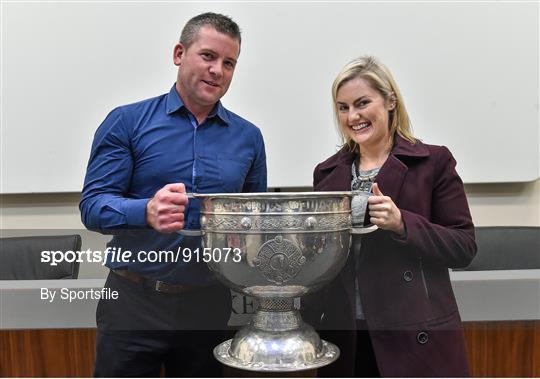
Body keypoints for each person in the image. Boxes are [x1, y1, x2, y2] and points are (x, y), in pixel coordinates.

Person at [79, 12, 267, 377]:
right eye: (208, 56)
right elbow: (93, 205)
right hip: (132, 301)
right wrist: (144, 211)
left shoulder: (249, 137)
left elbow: (251, 217)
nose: (218, 70)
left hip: (207, 304)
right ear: (180, 53)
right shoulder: (127, 121)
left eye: (229, 63)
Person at [302, 56, 476, 377]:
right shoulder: (326, 174)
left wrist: (403, 224)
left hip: (413, 337)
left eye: (362, 103)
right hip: (348, 337)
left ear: (390, 101)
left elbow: (463, 246)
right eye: (343, 107)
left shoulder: (433, 162)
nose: (353, 116)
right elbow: (321, 265)